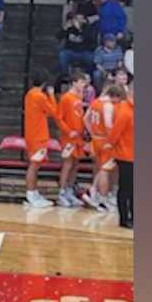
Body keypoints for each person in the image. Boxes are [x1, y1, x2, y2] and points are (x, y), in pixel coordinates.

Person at [22, 70, 59, 208]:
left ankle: (33, 193)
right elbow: (53, 112)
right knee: (34, 166)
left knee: (35, 165)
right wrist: (51, 95)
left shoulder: (30, 94)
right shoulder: (40, 96)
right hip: (38, 135)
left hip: (32, 134)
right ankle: (31, 194)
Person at [55, 71, 91, 208]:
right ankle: (61, 193)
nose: (84, 85)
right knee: (68, 164)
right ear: (74, 82)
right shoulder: (66, 98)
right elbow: (59, 118)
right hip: (69, 138)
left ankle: (69, 190)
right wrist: (68, 131)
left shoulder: (79, 97)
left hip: (79, 137)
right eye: (81, 82)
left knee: (76, 165)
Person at [83, 84, 121, 212]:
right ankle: (102, 199)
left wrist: (92, 133)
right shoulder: (108, 105)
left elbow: (85, 119)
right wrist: (113, 140)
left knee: (101, 169)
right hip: (105, 140)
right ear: (115, 96)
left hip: (96, 139)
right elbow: (109, 125)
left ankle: (94, 191)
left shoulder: (95, 102)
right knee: (105, 170)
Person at [108, 83, 135, 228]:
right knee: (126, 188)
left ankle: (134, 216)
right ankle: (124, 219)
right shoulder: (125, 111)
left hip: (133, 154)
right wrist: (112, 147)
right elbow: (114, 134)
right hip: (125, 156)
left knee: (133, 188)